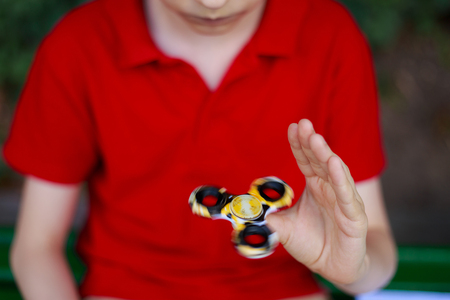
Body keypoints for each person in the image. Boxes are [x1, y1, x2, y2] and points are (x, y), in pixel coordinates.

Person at [3, 0, 397, 299]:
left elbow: (376, 248)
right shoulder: (80, 43)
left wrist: (353, 266)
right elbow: (35, 248)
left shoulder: (330, 36)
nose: (212, 3)